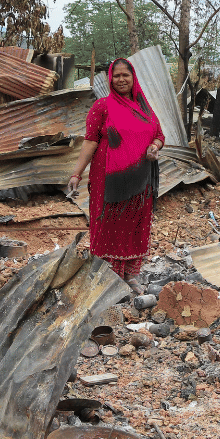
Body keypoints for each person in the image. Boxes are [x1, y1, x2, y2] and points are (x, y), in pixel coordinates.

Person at [67, 58, 164, 292]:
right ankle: (107, 278)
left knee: (135, 225)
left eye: (125, 75)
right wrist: (76, 174)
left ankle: (131, 275)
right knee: (108, 225)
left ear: (133, 78)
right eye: (116, 76)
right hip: (108, 180)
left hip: (140, 180)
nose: (121, 80)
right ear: (110, 79)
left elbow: (159, 135)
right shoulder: (102, 106)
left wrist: (154, 147)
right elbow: (90, 142)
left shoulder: (144, 107)